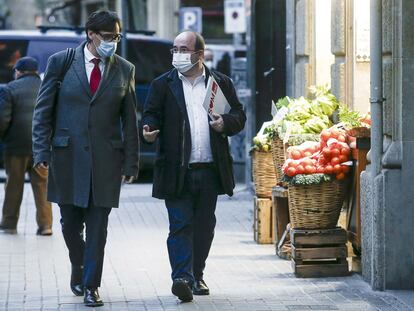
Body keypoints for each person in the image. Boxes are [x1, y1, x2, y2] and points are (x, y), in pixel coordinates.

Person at [32, 10, 139, 308]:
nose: (113, 43)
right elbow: (42, 113)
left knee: (98, 227)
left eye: (117, 37)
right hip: (67, 158)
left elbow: (130, 121)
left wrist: (132, 162)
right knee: (68, 225)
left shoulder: (124, 69)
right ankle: (78, 266)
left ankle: (92, 285)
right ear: (91, 34)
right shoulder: (62, 62)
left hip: (106, 161)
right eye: (108, 37)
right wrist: (40, 151)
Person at [142, 31, 246, 302]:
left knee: (204, 226)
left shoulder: (219, 83)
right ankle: (182, 278)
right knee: (179, 224)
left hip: (209, 169)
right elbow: (151, 113)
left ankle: (197, 273)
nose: (178, 54)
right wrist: (149, 129)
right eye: (175, 49)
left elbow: (239, 114)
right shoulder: (163, 84)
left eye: (183, 49)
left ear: (200, 54)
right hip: (177, 170)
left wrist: (226, 123)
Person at [0, 57, 53, 236]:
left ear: (19, 72)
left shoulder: (9, 89)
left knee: (14, 185)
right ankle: (46, 225)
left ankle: (9, 224)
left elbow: (3, 119)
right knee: (42, 186)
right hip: (42, 148)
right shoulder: (47, 88)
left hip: (16, 147)